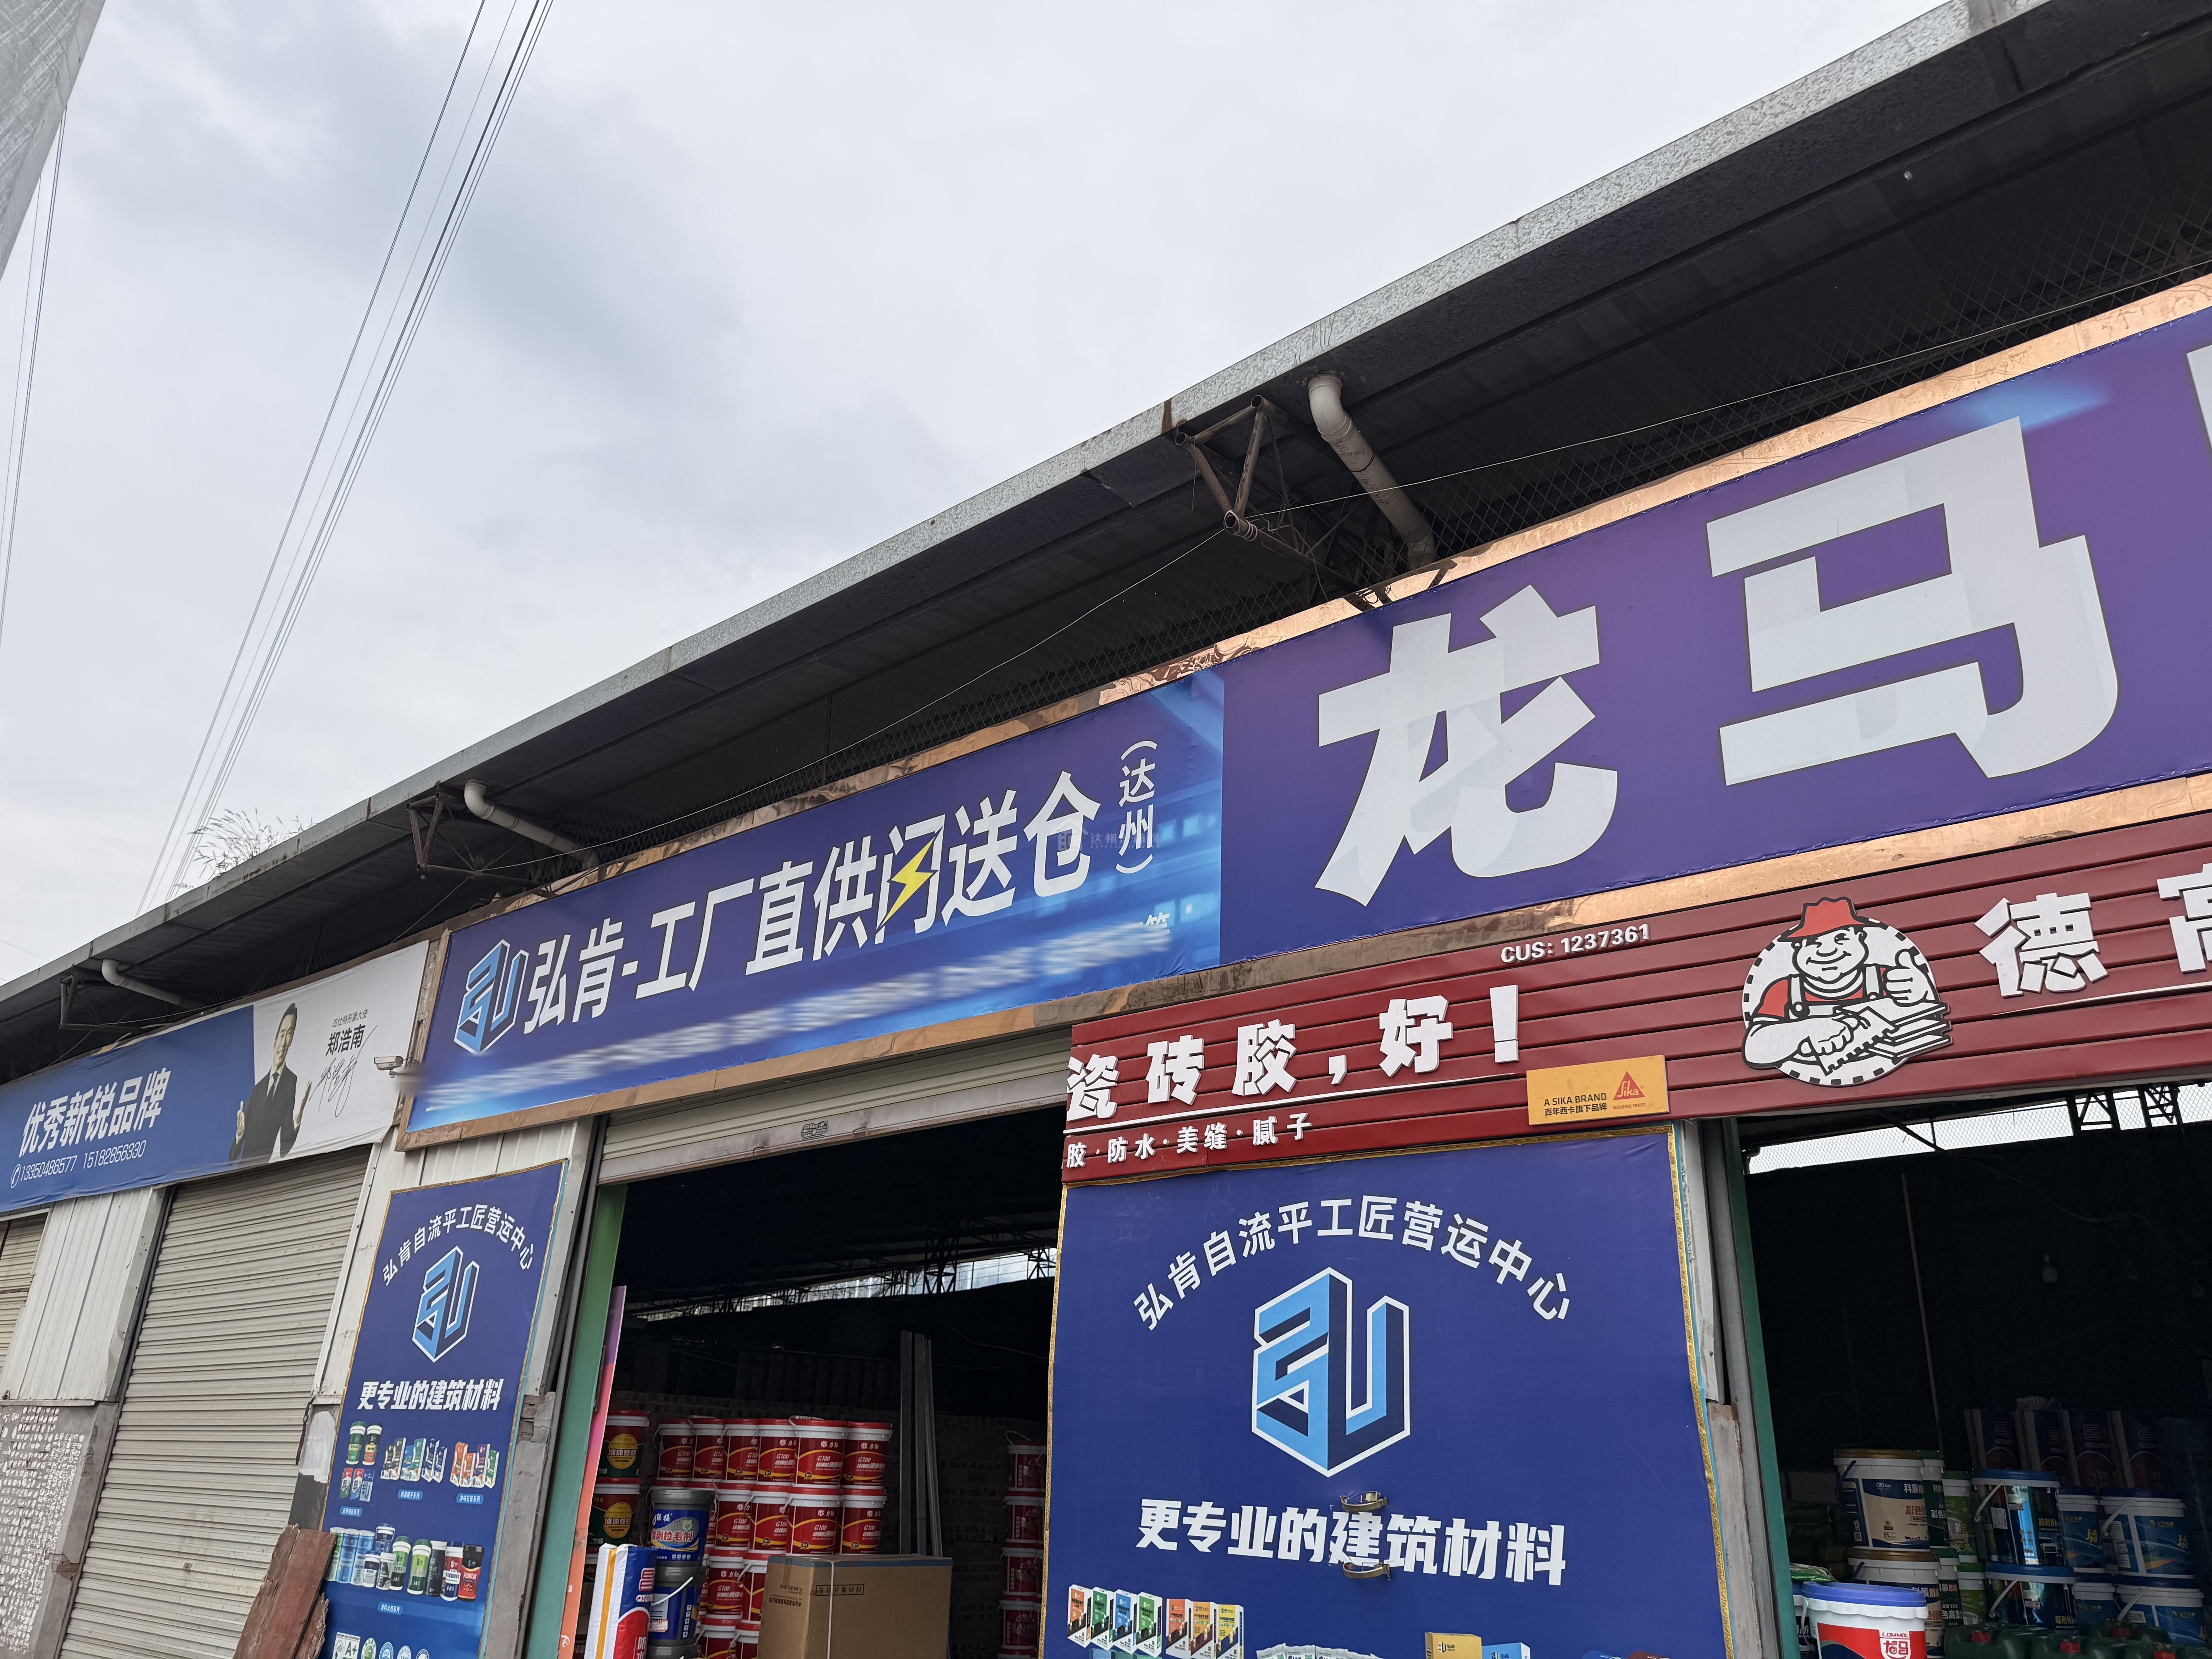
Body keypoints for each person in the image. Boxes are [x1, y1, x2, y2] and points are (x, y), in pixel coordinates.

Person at [1742, 897, 1936, 1072]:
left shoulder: (1887, 978)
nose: (1827, 951)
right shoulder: (1785, 991)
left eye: (1841, 938)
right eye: (1813, 942)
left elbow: (1927, 1017)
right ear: (1797, 948)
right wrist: (1808, 1029)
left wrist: (1923, 992)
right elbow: (1755, 1050)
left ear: (1861, 938)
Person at [232, 1003, 312, 1162]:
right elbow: (233, 1156)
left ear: (292, 1040)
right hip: (245, 1169)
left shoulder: (291, 1082)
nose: (283, 1043)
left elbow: (284, 1149)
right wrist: (240, 1133)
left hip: (267, 1169)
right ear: (275, 1040)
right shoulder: (257, 1089)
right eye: (282, 1034)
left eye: (289, 1034)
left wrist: (298, 1117)